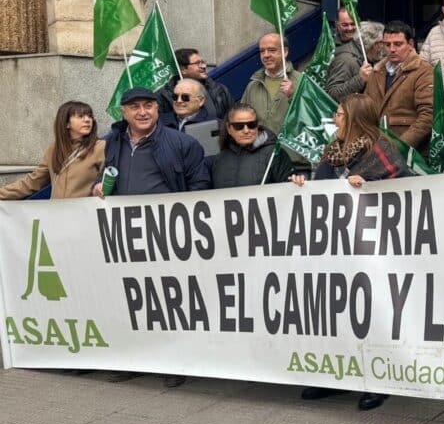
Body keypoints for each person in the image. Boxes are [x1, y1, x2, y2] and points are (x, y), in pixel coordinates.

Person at [291, 93, 413, 411]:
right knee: (337, 311)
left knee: (372, 313)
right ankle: (337, 377)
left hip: (372, 248)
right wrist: (303, 184)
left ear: (356, 119)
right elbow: (321, 188)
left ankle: (380, 380)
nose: (335, 119)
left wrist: (370, 185)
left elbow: (406, 189)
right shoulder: (333, 150)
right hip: (336, 246)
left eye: (340, 114)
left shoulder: (380, 149)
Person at [95, 86, 210, 388]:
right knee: (130, 299)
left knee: (169, 301)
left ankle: (173, 362)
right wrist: (98, 186)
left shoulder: (183, 143)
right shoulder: (111, 143)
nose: (142, 112)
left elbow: (200, 186)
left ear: (158, 109)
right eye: (135, 107)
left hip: (167, 237)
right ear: (124, 112)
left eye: (148, 105)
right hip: (125, 236)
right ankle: (133, 360)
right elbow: (103, 176)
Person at [0, 101, 104, 200]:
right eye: (80, 116)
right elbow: (33, 182)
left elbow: (109, 179)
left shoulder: (99, 147)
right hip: (56, 211)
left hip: (85, 211)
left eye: (90, 116)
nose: (87, 120)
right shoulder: (55, 149)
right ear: (66, 123)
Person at [359, 21, 433, 157]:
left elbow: (427, 116)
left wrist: (399, 146)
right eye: (387, 45)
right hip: (376, 150)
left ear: (410, 44)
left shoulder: (423, 71)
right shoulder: (377, 71)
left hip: (410, 154)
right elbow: (365, 110)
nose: (392, 49)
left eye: (398, 44)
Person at [210, 104, 295, 188]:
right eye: (239, 126)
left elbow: (289, 187)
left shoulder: (274, 154)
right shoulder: (219, 159)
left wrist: (296, 181)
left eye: (251, 125)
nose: (246, 130)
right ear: (229, 129)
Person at [241, 33, 302, 136]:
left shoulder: (301, 81)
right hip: (259, 145)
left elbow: (311, 118)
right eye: (262, 51)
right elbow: (242, 119)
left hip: (288, 145)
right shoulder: (253, 85)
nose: (266, 55)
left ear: (285, 52)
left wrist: (293, 96)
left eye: (272, 50)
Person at [157, 48, 234, 120]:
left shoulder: (220, 90)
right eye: (197, 63)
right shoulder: (164, 96)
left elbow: (232, 117)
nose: (204, 66)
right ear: (183, 69)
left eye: (203, 62)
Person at [325, 9, 371, 103]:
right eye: (345, 25)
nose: (350, 28)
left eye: (353, 24)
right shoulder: (330, 47)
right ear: (337, 24)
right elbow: (332, 94)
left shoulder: (366, 44)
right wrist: (360, 79)